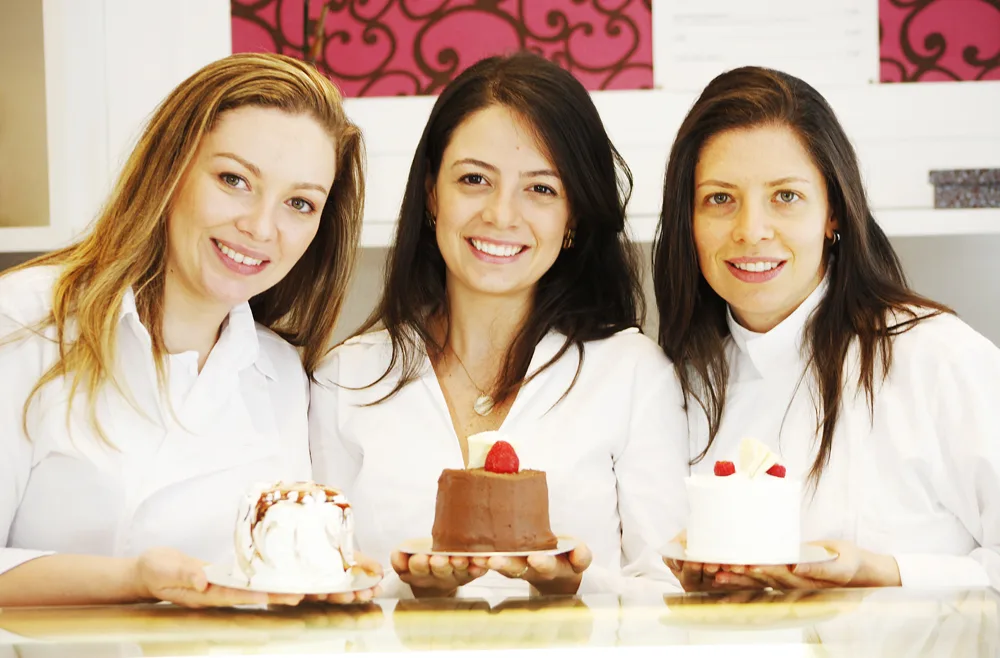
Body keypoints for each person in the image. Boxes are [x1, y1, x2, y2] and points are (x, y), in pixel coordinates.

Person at [0, 52, 379, 607]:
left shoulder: (280, 375)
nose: (260, 227)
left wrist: (320, 581)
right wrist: (135, 579)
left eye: (300, 203)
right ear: (170, 170)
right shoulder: (27, 321)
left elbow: (261, 581)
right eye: (234, 180)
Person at [310, 52, 688, 599]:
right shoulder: (344, 379)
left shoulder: (633, 376)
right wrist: (413, 590)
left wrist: (573, 587)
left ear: (573, 218)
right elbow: (315, 591)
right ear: (431, 194)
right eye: (474, 179)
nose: (501, 215)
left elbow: (672, 594)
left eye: (540, 189)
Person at [652, 65, 1000, 591]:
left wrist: (882, 573)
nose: (751, 231)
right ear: (688, 221)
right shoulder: (680, 385)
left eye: (785, 196)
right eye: (720, 198)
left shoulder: (938, 358)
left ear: (833, 212)